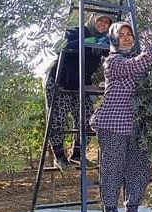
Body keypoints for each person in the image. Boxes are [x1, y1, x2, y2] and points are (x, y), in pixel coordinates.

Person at [90, 21, 152, 212]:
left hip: (136, 125)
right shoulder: (112, 62)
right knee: (113, 170)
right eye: (121, 35)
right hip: (113, 124)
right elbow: (136, 66)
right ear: (113, 39)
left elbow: (146, 65)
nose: (126, 38)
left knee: (140, 167)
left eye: (129, 34)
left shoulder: (137, 58)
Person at [44, 12, 113, 170]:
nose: (102, 24)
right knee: (57, 118)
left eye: (106, 23)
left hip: (80, 85)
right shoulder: (79, 32)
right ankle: (59, 157)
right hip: (60, 80)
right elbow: (60, 46)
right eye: (100, 20)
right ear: (93, 21)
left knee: (89, 118)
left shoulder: (104, 43)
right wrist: (84, 41)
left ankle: (77, 155)